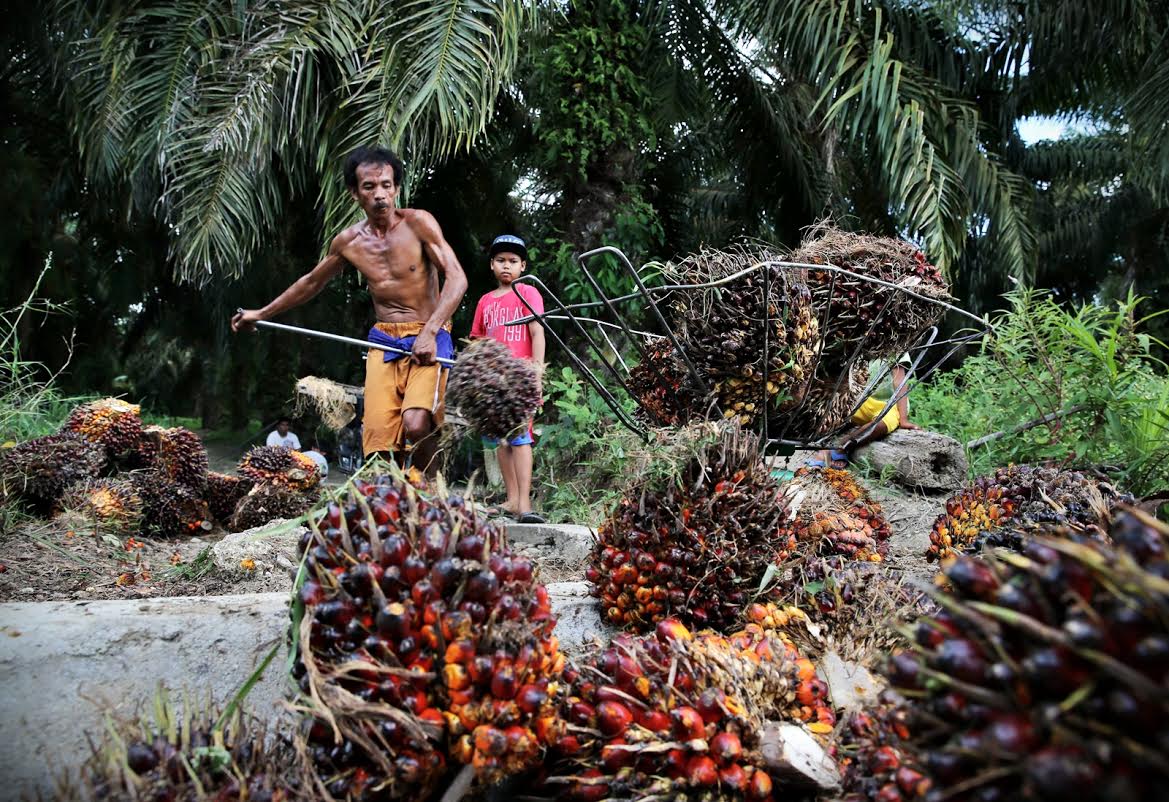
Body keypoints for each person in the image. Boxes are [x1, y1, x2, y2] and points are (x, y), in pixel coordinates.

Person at [232, 146, 468, 476]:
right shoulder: (349, 242)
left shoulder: (418, 224)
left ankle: (431, 485)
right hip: (384, 340)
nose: (380, 194)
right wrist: (261, 313)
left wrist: (430, 331)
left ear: (396, 188)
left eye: (386, 185)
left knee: (416, 423)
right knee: (379, 439)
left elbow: (457, 278)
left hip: (429, 333)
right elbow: (311, 283)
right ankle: (396, 495)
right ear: (355, 193)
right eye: (369, 187)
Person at [469, 234, 546, 524]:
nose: (506, 265)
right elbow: (477, 342)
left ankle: (525, 504)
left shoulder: (528, 292)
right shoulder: (485, 301)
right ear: (492, 264)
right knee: (501, 441)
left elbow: (537, 333)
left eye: (513, 261)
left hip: (520, 380)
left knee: (520, 438)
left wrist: (537, 372)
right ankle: (512, 499)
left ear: (522, 266)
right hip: (492, 383)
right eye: (500, 260)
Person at [813, 354, 919, 468]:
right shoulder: (868, 348)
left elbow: (899, 382)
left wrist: (903, 419)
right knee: (837, 408)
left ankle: (841, 448)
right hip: (866, 400)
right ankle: (824, 449)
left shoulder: (898, 349)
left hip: (891, 405)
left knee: (880, 425)